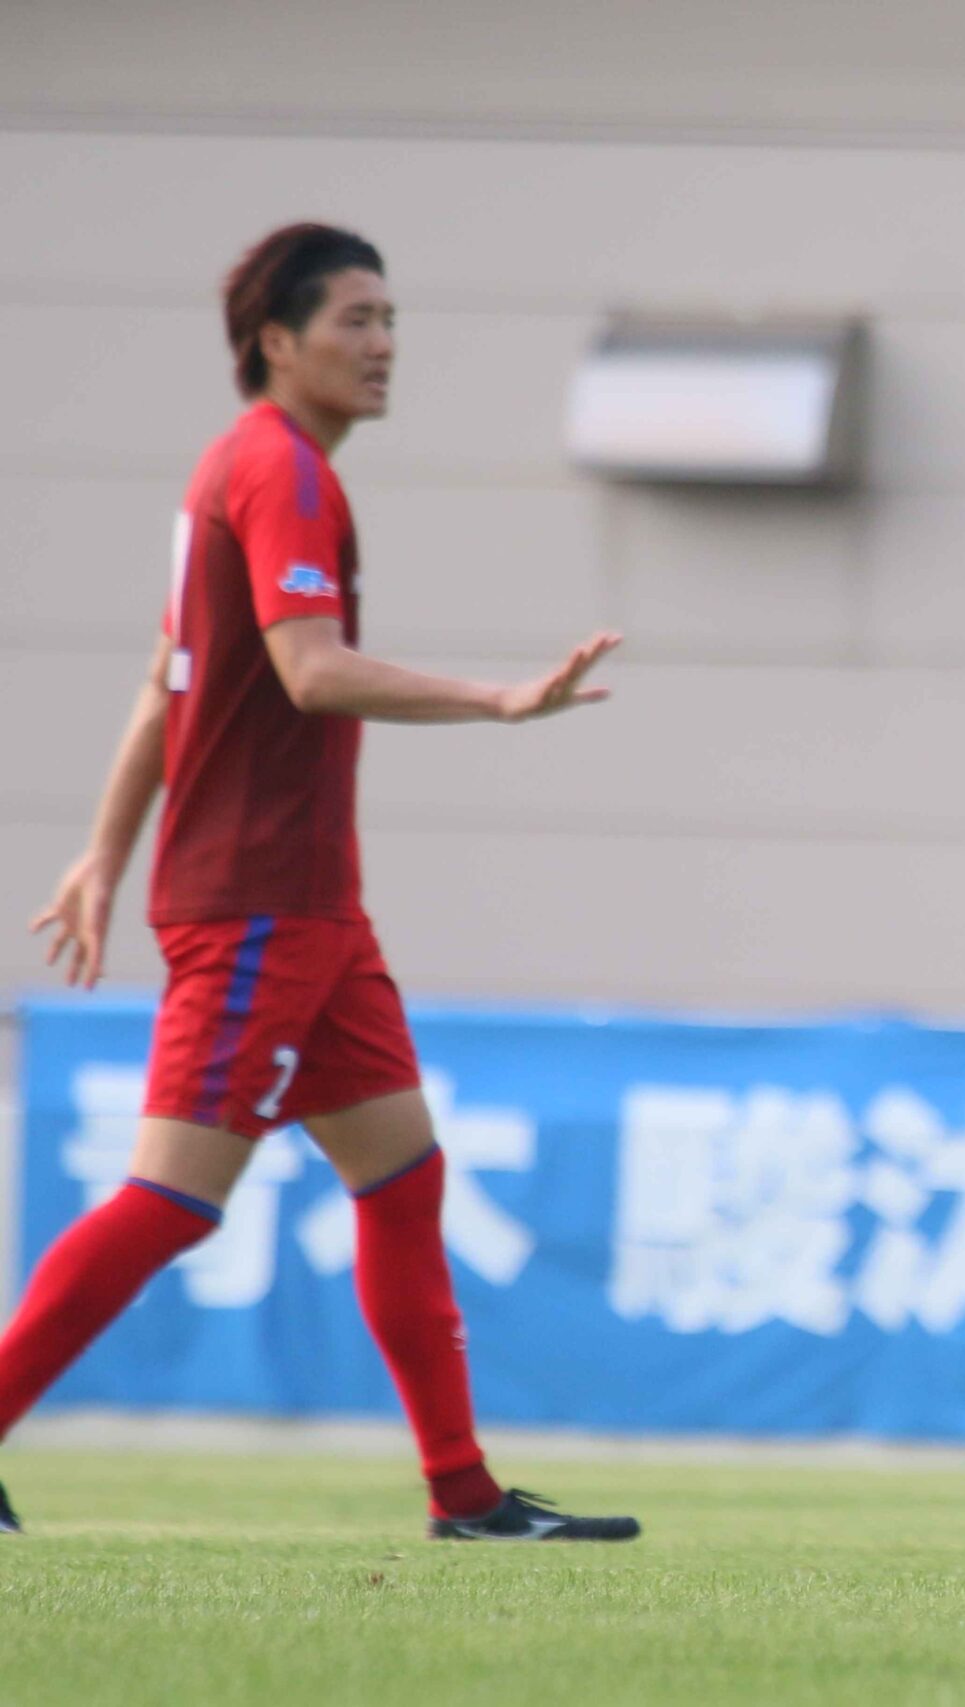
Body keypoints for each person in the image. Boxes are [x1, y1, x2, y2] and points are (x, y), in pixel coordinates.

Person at [8, 223, 636, 1542]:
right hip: (256, 905)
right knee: (173, 1199)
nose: (384, 343)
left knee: (402, 1179)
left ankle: (464, 1496)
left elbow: (167, 684)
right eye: (356, 319)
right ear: (275, 342)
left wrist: (105, 854)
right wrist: (499, 700)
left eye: (390, 318)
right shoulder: (281, 470)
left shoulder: (236, 464)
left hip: (310, 909)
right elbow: (308, 670)